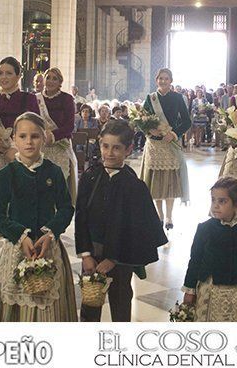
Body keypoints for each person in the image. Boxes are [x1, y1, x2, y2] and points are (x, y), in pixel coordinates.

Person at [75, 120, 168, 322]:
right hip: (91, 255)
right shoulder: (90, 178)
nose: (109, 153)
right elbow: (81, 217)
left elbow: (137, 230)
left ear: (129, 149)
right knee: (90, 306)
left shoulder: (135, 186)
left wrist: (113, 259)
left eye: (116, 148)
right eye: (105, 146)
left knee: (120, 303)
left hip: (121, 259)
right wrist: (85, 255)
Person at [0, 112, 77, 322]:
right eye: (23, 136)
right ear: (14, 139)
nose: (29, 142)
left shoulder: (53, 172)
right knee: (16, 309)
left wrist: (50, 233)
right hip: (17, 247)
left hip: (48, 246)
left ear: (44, 139)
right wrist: (20, 235)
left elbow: (66, 208)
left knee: (50, 309)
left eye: (35, 136)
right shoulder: (6, 174)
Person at [0, 56, 39, 240]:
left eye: (9, 73)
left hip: (19, 158)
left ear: (18, 76)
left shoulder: (28, 99)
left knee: (18, 206)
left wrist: (13, 148)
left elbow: (34, 129)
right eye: (1, 73)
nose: (4, 77)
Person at [182, 176, 237, 322]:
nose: (215, 205)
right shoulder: (205, 229)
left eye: (222, 201)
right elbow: (195, 260)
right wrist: (189, 289)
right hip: (210, 288)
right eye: (213, 200)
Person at [140, 68, 192, 230]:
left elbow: (187, 121)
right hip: (154, 145)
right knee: (157, 182)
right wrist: (149, 130)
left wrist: (175, 134)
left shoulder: (177, 98)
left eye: (166, 78)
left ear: (171, 81)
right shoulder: (150, 98)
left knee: (169, 181)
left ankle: (169, 215)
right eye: (160, 78)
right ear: (156, 80)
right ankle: (160, 214)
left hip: (170, 144)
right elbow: (140, 120)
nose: (163, 81)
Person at [36, 67, 78, 202]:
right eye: (48, 77)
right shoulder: (36, 99)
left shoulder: (66, 99)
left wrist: (52, 136)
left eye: (55, 78)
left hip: (60, 147)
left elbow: (70, 126)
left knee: (57, 186)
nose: (51, 81)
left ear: (60, 82)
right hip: (41, 148)